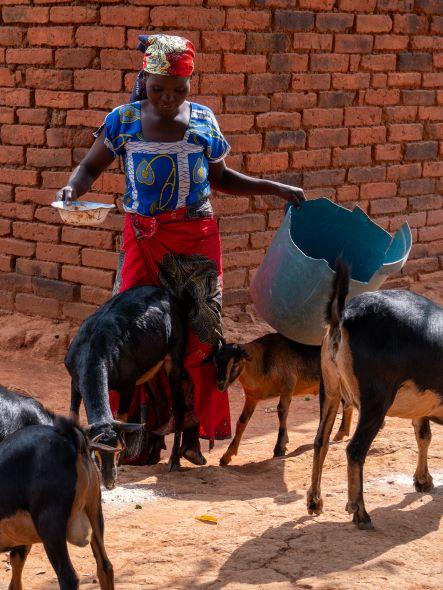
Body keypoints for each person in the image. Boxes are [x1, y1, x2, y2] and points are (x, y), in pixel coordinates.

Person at [57, 34, 305, 466]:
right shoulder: (123, 120)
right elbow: (91, 166)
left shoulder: (203, 121)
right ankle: (138, 439)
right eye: (159, 89)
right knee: (131, 334)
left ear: (191, 84)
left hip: (196, 242)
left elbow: (222, 179)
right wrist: (72, 188)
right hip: (143, 241)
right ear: (145, 81)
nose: (169, 98)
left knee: (200, 336)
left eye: (179, 89)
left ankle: (190, 433)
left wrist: (273, 188)